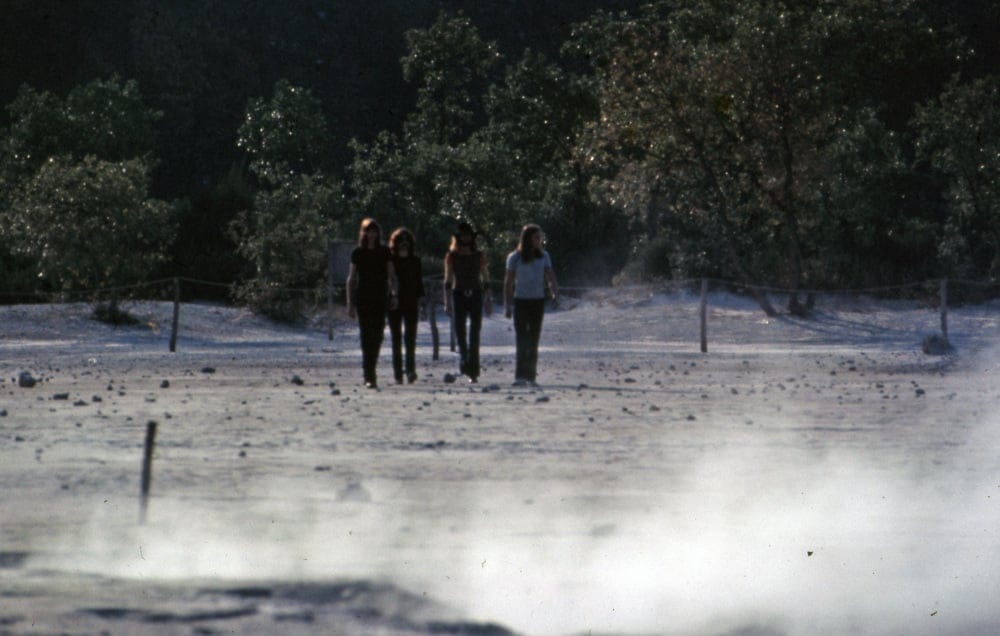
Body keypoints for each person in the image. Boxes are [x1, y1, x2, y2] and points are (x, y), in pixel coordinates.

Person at [503, 223, 558, 387]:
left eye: (540, 237)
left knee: (534, 338)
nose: (539, 240)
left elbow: (550, 276)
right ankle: (520, 375)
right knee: (522, 338)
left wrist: (554, 292)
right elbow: (509, 282)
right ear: (527, 238)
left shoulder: (544, 256)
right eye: (536, 237)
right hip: (521, 301)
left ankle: (531, 375)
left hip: (537, 301)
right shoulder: (515, 257)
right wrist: (507, 305)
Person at [346, 218, 397, 389]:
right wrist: (350, 303)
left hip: (380, 297)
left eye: (375, 231)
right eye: (369, 231)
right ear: (364, 233)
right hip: (363, 297)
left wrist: (394, 294)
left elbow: (392, 276)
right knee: (366, 336)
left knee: (378, 335)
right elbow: (351, 279)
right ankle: (369, 374)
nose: (372, 234)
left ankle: (371, 367)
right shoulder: (358, 253)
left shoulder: (384, 252)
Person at [444, 221, 492, 383]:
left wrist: (488, 299)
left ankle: (474, 371)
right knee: (460, 331)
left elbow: (485, 277)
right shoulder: (452, 256)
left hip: (476, 294)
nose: (465, 238)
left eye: (468, 235)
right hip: (459, 294)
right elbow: (448, 279)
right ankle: (464, 361)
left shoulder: (479, 255)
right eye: (463, 235)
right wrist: (447, 301)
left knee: (475, 332)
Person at [387, 227, 425, 384]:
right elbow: (388, 280)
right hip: (394, 302)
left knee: (410, 339)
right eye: (400, 242)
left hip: (411, 302)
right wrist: (391, 296)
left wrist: (422, 305)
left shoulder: (415, 261)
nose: (403, 245)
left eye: (406, 242)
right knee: (396, 339)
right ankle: (398, 373)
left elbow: (419, 284)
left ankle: (410, 370)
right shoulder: (391, 261)